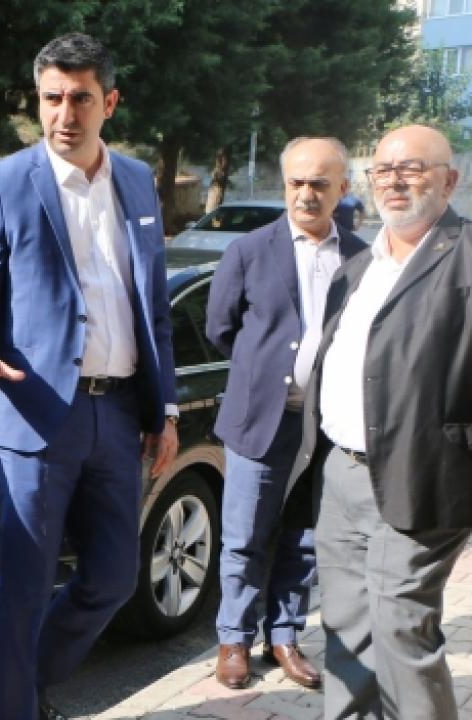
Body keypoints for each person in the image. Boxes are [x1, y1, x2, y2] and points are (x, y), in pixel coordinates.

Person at [0, 33, 178, 720]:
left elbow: (152, 306)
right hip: (36, 412)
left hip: (119, 413)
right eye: (51, 98)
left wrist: (164, 409)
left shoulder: (136, 180)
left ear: (110, 102)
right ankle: (13, 708)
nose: (64, 114)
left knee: (115, 578)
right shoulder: (5, 182)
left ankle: (25, 681)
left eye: (80, 98)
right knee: (24, 585)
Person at [285, 124, 472, 719]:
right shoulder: (360, 265)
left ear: (449, 181)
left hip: (422, 472)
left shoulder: (466, 257)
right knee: (345, 627)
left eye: (412, 168)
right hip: (340, 473)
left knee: (400, 627)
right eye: (383, 170)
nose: (394, 181)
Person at [204, 137, 367, 690]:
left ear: (342, 188)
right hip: (259, 421)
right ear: (284, 185)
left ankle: (284, 638)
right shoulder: (249, 251)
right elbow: (221, 329)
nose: (306, 194)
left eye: (320, 183)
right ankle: (234, 640)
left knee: (304, 538)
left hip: (327, 426)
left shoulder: (363, 257)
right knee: (244, 538)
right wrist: (266, 374)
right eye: (297, 182)